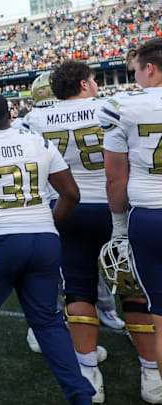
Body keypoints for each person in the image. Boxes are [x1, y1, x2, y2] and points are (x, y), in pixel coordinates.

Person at [0, 92, 94, 405]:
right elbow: (71, 194)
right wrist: (48, 224)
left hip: (1, 240)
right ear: (10, 113)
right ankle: (80, 393)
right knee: (48, 320)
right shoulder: (38, 142)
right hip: (43, 239)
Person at [24, 60, 139, 402]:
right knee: (135, 288)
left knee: (77, 291)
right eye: (93, 80)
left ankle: (88, 371)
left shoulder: (34, 119)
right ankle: (151, 371)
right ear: (86, 84)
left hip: (67, 208)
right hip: (113, 205)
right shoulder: (113, 107)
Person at [100, 37, 162, 401]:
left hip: (150, 216)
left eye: (135, 69)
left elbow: (115, 177)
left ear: (149, 68)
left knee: (159, 314)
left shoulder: (121, 106)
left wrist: (119, 227)